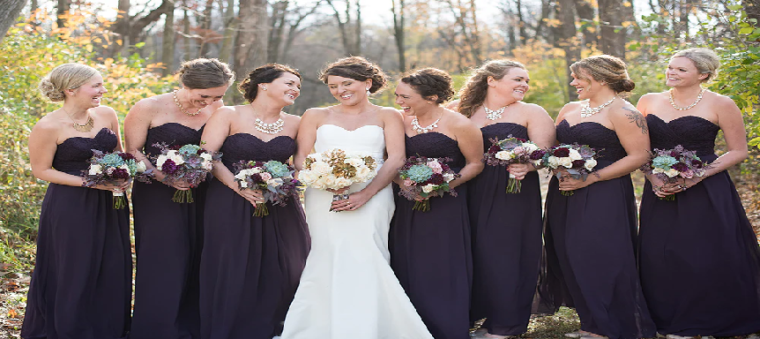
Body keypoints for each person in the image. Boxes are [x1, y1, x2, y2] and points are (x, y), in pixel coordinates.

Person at [279, 57, 433, 339]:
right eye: (333, 86)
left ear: (367, 83)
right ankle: (317, 327)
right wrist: (324, 180)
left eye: (346, 83)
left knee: (368, 253)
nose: (340, 90)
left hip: (375, 195)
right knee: (326, 254)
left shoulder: (388, 115)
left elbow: (396, 158)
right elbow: (301, 158)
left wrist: (365, 193)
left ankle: (372, 327)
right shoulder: (315, 115)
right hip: (324, 196)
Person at [637, 48, 760, 339]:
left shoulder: (721, 103)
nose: (671, 72)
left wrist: (697, 176)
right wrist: (652, 176)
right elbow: (639, 147)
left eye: (681, 69)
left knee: (704, 254)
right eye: (670, 67)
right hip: (660, 187)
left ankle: (709, 320)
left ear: (703, 74)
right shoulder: (648, 100)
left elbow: (738, 150)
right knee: (659, 253)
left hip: (706, 188)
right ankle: (667, 318)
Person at [538, 55, 656, 339]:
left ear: (601, 79)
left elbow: (640, 155)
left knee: (599, 255)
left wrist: (592, 178)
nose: (573, 82)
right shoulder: (569, 108)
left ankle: (610, 325)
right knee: (568, 253)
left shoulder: (624, 112)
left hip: (604, 192)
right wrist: (557, 169)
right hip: (565, 191)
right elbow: (555, 147)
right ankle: (591, 321)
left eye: (579, 77)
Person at [198, 64, 310, 339]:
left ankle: (276, 328)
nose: (295, 89)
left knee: (286, 264)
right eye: (289, 83)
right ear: (264, 85)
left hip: (280, 203)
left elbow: (300, 164)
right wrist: (237, 186)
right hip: (230, 200)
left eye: (298, 86)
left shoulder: (296, 122)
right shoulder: (229, 113)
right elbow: (207, 156)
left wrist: (283, 181)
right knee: (233, 263)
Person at [125, 58, 234, 339]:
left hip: (202, 189)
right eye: (203, 96)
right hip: (156, 193)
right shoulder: (148, 107)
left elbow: (214, 148)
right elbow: (134, 151)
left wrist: (199, 172)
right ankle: (157, 328)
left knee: (201, 252)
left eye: (218, 96)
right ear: (186, 85)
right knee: (164, 256)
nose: (209, 102)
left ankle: (193, 327)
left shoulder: (217, 107)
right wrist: (165, 177)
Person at [23, 63, 131, 339]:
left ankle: (106, 329)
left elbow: (118, 153)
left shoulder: (107, 114)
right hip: (70, 205)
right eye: (95, 86)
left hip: (111, 202)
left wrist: (123, 174)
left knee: (111, 262)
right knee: (74, 265)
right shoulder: (47, 126)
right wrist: (90, 182)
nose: (102, 90)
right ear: (70, 89)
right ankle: (70, 329)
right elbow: (41, 170)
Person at [451, 60, 555, 339]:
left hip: (512, 190)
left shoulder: (532, 112)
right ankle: (471, 315)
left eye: (527, 81)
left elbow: (546, 153)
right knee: (472, 252)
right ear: (491, 80)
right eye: (518, 79)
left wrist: (529, 165)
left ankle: (506, 323)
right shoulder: (460, 111)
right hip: (467, 190)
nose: (524, 85)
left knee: (506, 253)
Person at [390, 68, 484, 339]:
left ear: (431, 97)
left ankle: (446, 324)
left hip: (446, 203)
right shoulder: (397, 121)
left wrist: (442, 186)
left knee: (441, 261)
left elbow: (475, 164)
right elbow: (391, 159)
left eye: (405, 97)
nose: (399, 102)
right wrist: (401, 182)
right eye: (397, 95)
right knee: (405, 257)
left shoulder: (460, 125)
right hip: (404, 203)